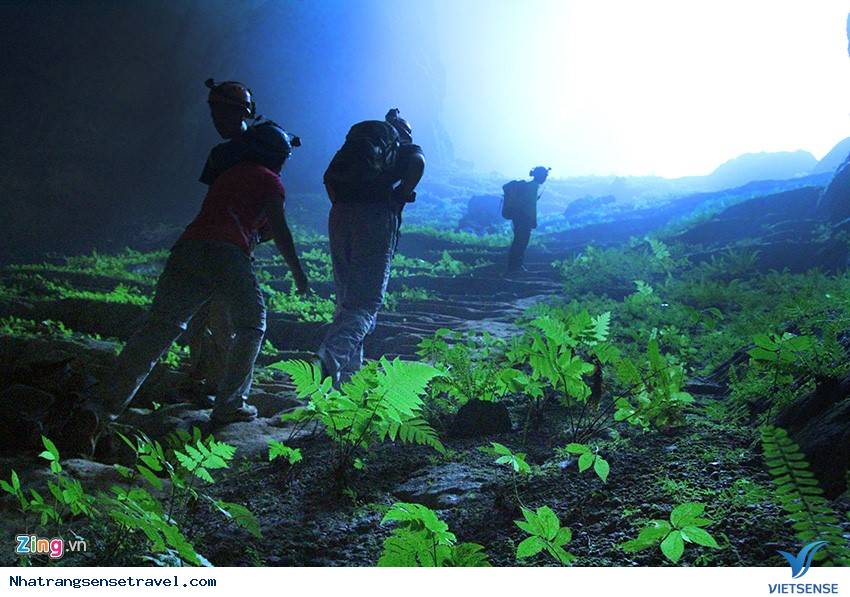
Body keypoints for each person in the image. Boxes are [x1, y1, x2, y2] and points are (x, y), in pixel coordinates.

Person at [96, 120, 309, 426]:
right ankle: (231, 404)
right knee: (252, 324)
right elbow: (279, 229)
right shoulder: (269, 180)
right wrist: (299, 274)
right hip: (226, 252)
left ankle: (104, 406)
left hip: (187, 249)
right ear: (278, 154)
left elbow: (239, 219)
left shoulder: (229, 174)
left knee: (159, 328)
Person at [317, 108, 425, 385]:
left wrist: (346, 205)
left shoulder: (356, 150)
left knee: (347, 301)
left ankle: (349, 383)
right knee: (366, 304)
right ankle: (329, 360)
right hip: (375, 218)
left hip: (340, 215)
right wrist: (398, 194)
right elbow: (418, 163)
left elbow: (328, 178)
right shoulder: (402, 145)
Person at [185, 79, 258, 402]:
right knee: (204, 312)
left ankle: (219, 382)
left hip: (232, 240)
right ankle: (204, 373)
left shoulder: (257, 148)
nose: (217, 121)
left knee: (222, 313)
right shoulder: (223, 152)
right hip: (217, 237)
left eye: (222, 114)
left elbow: (267, 194)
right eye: (214, 114)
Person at [505, 166, 549, 273]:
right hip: (524, 219)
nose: (545, 178)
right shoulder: (533, 188)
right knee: (521, 242)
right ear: (540, 176)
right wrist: (533, 221)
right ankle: (516, 266)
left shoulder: (530, 186)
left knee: (518, 241)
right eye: (544, 176)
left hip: (519, 218)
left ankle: (514, 266)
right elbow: (531, 207)